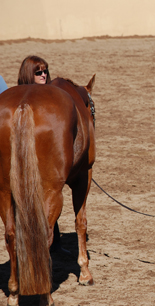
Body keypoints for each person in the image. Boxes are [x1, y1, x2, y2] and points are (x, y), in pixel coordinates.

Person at [17, 55, 69, 255]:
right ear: (28, 74)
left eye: (45, 71)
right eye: (38, 72)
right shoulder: (20, 100)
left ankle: (55, 244)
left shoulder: (51, 97)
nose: (43, 75)